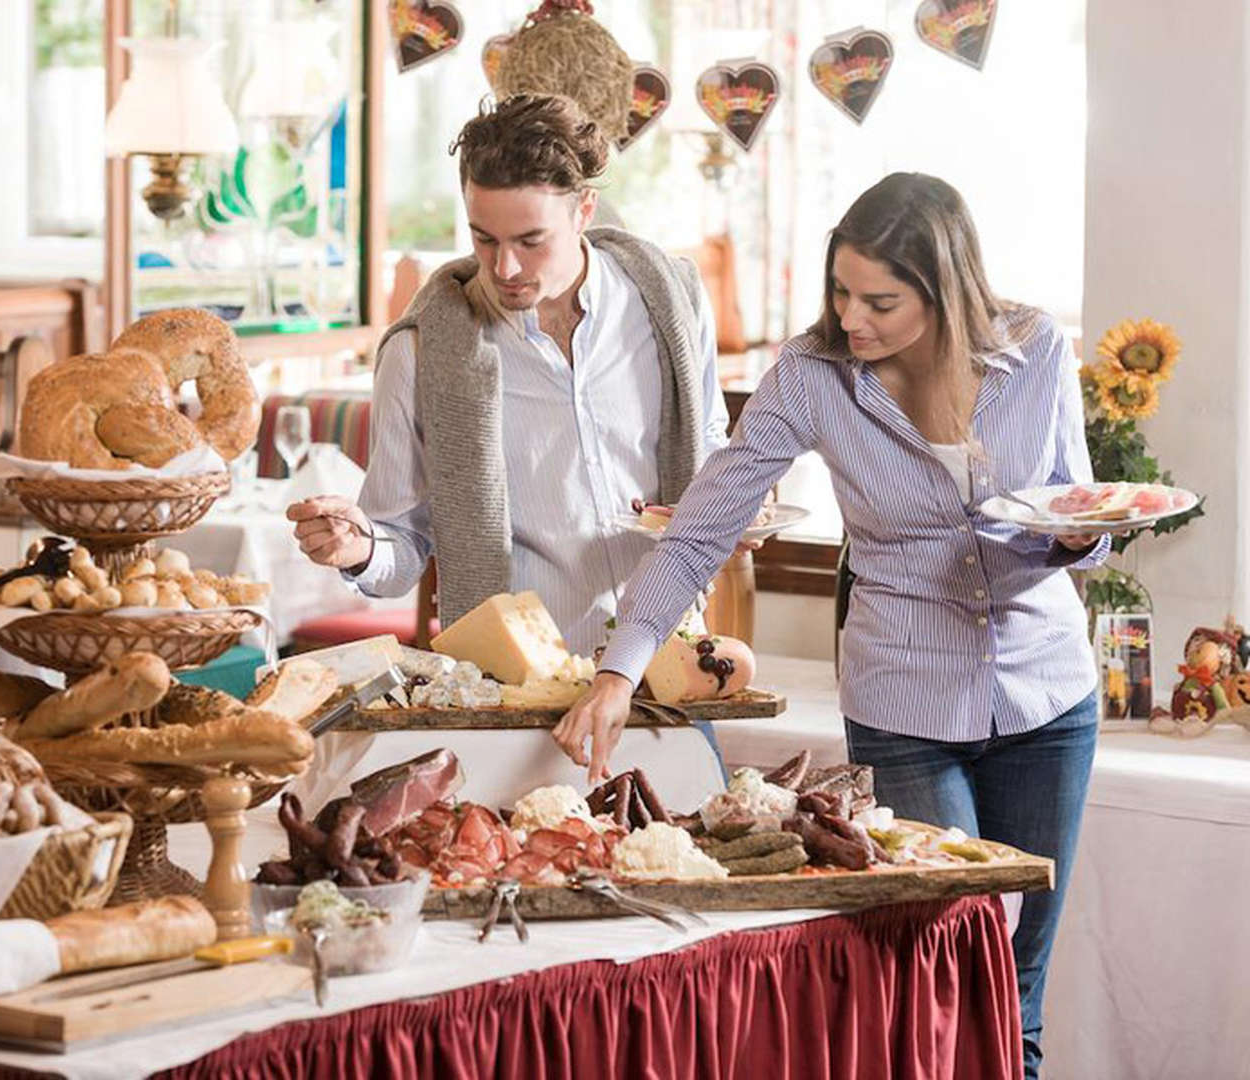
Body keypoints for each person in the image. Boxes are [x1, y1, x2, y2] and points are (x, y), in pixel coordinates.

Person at [555, 172, 1108, 1078]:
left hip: (1049, 698)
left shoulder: (1038, 349)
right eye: (841, 292)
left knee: (1018, 984)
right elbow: (700, 533)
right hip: (905, 710)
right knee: (943, 974)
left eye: (881, 300)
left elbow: (1072, 503)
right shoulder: (811, 381)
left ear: (947, 285)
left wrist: (1081, 539)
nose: (854, 317)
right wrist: (619, 671)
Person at [285, 93, 736, 806]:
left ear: (584, 210)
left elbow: (710, 449)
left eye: (531, 241)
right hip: (514, 700)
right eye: (482, 239)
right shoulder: (423, 352)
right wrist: (359, 549)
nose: (504, 267)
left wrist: (735, 505)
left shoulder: (669, 304)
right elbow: (400, 546)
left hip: (668, 671)